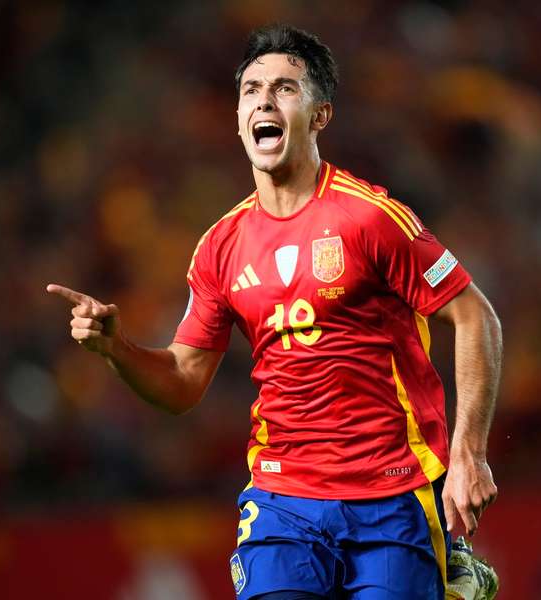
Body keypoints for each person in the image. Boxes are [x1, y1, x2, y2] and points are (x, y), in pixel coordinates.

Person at [47, 24, 502, 600]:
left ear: (320, 116)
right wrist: (118, 349)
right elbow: (184, 382)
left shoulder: (371, 218)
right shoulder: (220, 246)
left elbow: (474, 316)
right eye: (251, 90)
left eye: (285, 89)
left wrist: (469, 452)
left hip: (394, 493)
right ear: (239, 118)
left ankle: (450, 564)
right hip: (283, 498)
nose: (264, 100)